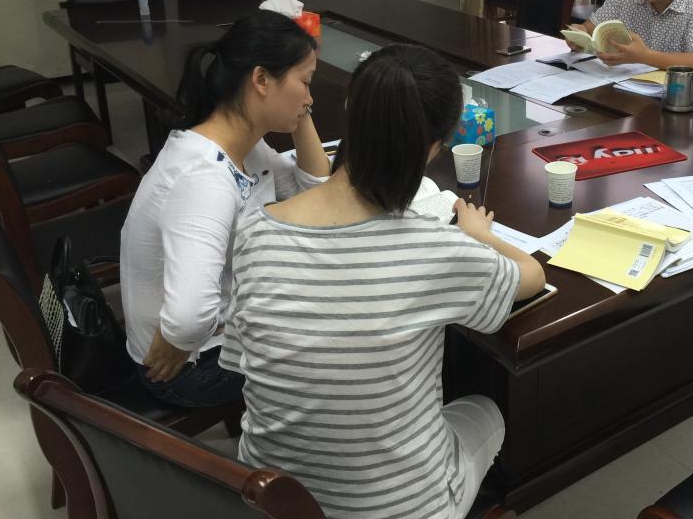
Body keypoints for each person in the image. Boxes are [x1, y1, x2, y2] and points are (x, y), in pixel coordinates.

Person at [219, 44, 546, 519]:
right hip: (395, 509)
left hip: (269, 499)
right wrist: (480, 235)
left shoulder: (254, 231)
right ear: (435, 146)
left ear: (349, 112)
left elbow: (242, 362)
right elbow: (532, 277)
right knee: (485, 410)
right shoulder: (434, 247)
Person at [120, 10, 330, 407]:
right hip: (189, 368)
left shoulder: (242, 144)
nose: (310, 98)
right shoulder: (203, 178)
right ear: (261, 80)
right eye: (305, 82)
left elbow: (313, 187)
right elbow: (188, 318)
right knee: (342, 330)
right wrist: (181, 336)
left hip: (203, 339)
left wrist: (300, 113)